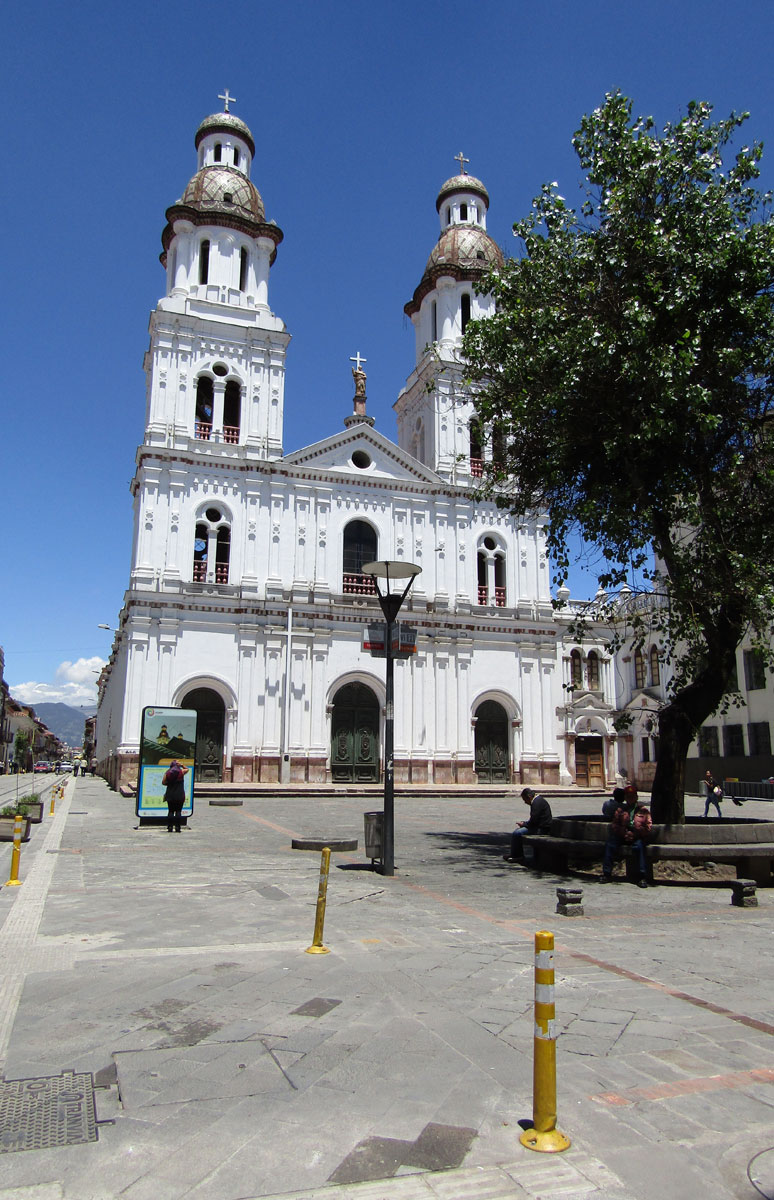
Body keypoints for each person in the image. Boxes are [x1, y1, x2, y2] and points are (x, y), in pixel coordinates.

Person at [601, 795, 652, 888]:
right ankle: (606, 873)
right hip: (622, 835)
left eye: (632, 796)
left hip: (636, 835)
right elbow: (615, 825)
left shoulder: (643, 811)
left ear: (636, 797)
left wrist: (635, 834)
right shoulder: (621, 810)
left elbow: (648, 827)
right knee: (610, 844)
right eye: (628, 796)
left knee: (639, 847)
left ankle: (642, 877)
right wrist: (623, 833)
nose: (630, 799)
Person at [504, 787, 553, 861]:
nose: (525, 802)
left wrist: (523, 824)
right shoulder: (538, 800)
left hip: (541, 828)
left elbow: (533, 821)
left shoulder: (536, 803)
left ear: (529, 797)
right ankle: (516, 854)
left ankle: (517, 855)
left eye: (525, 800)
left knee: (517, 833)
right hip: (540, 826)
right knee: (519, 832)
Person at [162, 760, 189, 832]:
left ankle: (170, 827)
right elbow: (187, 769)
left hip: (170, 794)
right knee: (178, 811)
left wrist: (169, 784)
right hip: (180, 795)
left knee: (170, 811)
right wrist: (182, 765)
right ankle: (178, 827)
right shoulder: (181, 772)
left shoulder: (167, 773)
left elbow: (163, 782)